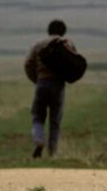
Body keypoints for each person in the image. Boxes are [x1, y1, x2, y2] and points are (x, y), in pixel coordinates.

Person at [24, 19, 75, 158]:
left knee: (37, 116)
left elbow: (28, 64)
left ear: (49, 30)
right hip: (58, 85)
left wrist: (37, 79)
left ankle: (39, 140)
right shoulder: (67, 44)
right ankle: (52, 153)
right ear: (63, 31)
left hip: (42, 83)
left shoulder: (39, 44)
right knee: (55, 121)